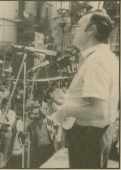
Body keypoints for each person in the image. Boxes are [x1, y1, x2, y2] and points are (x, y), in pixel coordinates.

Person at [52, 9, 119, 168]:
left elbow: (99, 111)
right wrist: (68, 100)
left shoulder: (96, 60)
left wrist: (65, 110)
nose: (72, 29)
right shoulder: (103, 57)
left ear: (91, 30)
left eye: (78, 26)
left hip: (88, 139)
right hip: (93, 137)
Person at [0, 97, 16, 168]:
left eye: (10, 104)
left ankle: (3, 165)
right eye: (7, 104)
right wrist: (4, 123)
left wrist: (3, 123)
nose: (8, 105)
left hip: (8, 132)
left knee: (6, 150)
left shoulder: (12, 112)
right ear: (3, 104)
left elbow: (11, 123)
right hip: (0, 132)